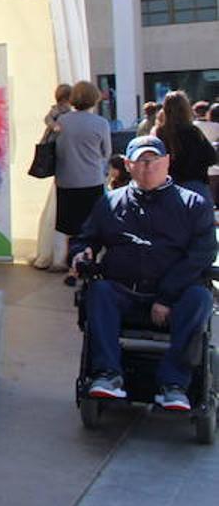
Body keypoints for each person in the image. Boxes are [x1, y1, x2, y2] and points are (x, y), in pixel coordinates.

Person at [73, 135, 217, 411]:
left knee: (199, 298)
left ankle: (174, 385)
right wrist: (83, 252)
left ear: (167, 162)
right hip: (125, 291)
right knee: (98, 291)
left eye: (153, 161)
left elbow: (202, 254)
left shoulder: (193, 205)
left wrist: (166, 296)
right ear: (127, 165)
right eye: (140, 161)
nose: (147, 167)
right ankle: (107, 375)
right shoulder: (110, 202)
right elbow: (86, 237)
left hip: (174, 298)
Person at [53, 81, 112, 279]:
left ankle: (72, 263)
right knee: (92, 226)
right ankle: (89, 261)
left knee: (70, 226)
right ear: (94, 98)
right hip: (91, 180)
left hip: (66, 180)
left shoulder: (61, 121)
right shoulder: (100, 123)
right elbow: (107, 152)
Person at [153, 90, 216, 201]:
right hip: (196, 186)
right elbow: (211, 158)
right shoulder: (193, 132)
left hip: (168, 189)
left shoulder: (159, 133)